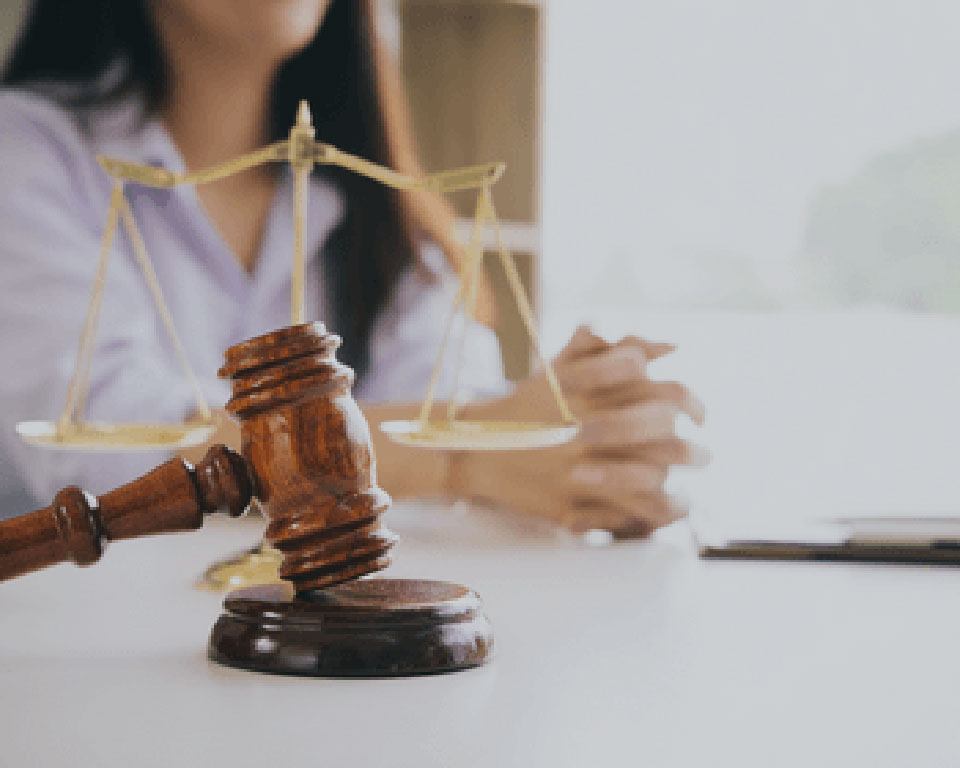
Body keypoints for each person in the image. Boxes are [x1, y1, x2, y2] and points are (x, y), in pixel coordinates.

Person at [0, 0, 704, 534]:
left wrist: (591, 443)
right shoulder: (26, 152)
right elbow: (106, 452)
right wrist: (471, 457)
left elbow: (459, 398)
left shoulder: (375, 209)